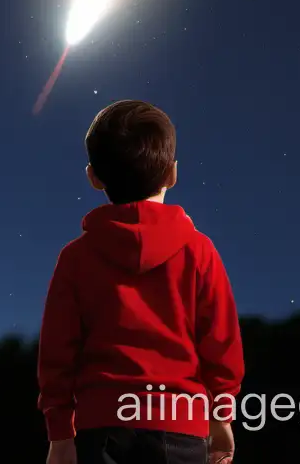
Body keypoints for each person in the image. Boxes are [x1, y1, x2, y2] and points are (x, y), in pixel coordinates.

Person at [38, 99, 244, 464]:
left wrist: (60, 435)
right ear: (172, 174)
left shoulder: (75, 258)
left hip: (100, 429)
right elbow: (221, 343)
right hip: (182, 428)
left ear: (93, 176)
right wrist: (222, 416)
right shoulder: (199, 251)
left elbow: (57, 354)